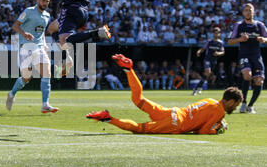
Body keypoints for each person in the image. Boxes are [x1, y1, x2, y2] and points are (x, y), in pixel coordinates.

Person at [86, 54, 243, 135]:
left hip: (172, 112)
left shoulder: (210, 100)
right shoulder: (220, 112)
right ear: (230, 102)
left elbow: (199, 121)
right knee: (140, 129)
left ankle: (129, 69)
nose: (235, 108)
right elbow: (201, 131)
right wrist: (217, 129)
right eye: (235, 105)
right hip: (176, 124)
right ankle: (108, 118)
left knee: (138, 99)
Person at [6, 0, 58, 113]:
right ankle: (12, 94)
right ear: (37, 0)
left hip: (39, 47)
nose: (45, 3)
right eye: (43, 0)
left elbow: (42, 33)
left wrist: (44, 44)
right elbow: (15, 26)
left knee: (46, 73)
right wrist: (24, 33)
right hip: (26, 47)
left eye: (47, 1)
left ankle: (45, 104)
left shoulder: (47, 16)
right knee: (26, 77)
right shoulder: (28, 11)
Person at [228, 3, 267, 113]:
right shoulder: (238, 25)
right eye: (245, 10)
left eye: (250, 10)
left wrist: (264, 40)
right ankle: (243, 102)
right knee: (247, 75)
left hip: (256, 56)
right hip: (244, 55)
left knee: (259, 81)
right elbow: (230, 41)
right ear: (243, 12)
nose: (248, 12)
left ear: (253, 12)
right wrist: (240, 39)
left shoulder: (260, 25)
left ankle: (250, 105)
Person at [193, 27, 225, 95]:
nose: (216, 34)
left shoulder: (220, 43)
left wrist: (218, 53)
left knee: (206, 75)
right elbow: (203, 48)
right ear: (213, 33)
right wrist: (199, 51)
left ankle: (198, 87)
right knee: (208, 72)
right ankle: (198, 88)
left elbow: (223, 52)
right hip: (207, 59)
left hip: (214, 61)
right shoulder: (209, 41)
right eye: (215, 33)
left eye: (218, 33)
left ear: (219, 34)